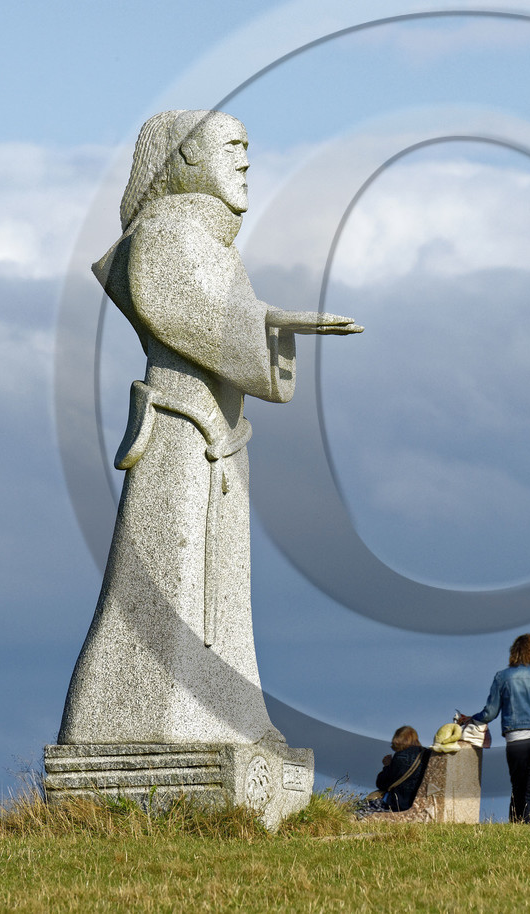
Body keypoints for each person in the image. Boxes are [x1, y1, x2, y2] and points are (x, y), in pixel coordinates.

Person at [58, 110, 361, 747]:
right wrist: (269, 322)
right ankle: (139, 727)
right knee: (170, 588)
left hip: (213, 443)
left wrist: (270, 321)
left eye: (248, 144)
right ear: (188, 161)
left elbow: (226, 322)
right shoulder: (166, 231)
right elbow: (177, 308)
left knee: (215, 597)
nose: (247, 158)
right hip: (179, 436)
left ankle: (226, 722)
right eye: (232, 145)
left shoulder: (212, 246)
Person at [465, 633, 530, 823]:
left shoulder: (502, 677)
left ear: (514, 653)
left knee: (518, 789)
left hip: (516, 741)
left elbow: (490, 713)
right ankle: (529, 835)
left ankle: (516, 831)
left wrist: (471, 719)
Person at [366, 725, 429, 813]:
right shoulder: (426, 754)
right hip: (419, 802)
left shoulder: (400, 756)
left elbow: (382, 784)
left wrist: (387, 766)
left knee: (360, 807)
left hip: (398, 803)